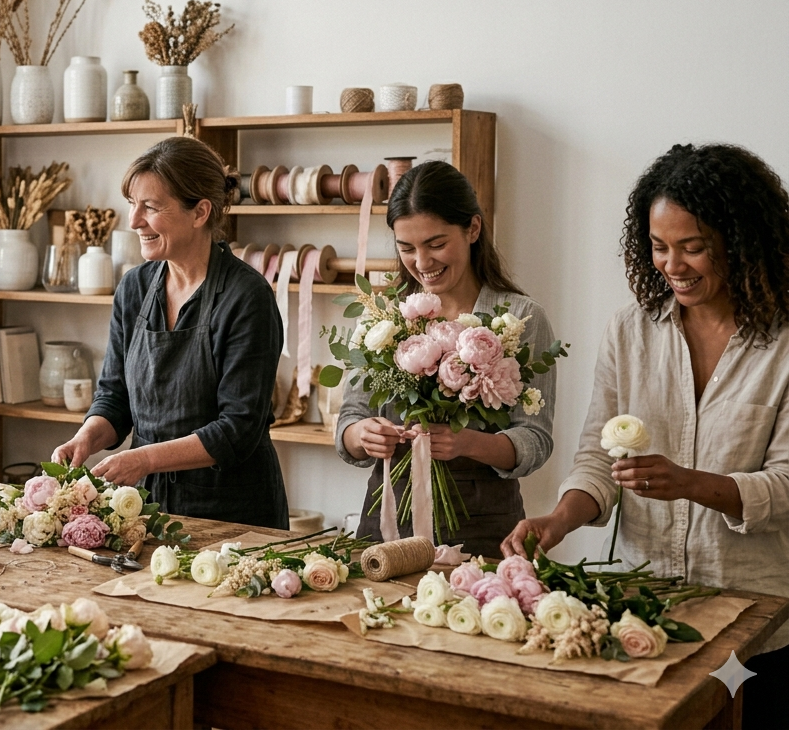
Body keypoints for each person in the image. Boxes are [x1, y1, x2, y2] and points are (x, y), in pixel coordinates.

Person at [501, 144, 789, 726]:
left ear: (743, 241)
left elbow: (786, 488)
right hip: (647, 617)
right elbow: (596, 458)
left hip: (758, 623)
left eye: (693, 247)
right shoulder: (631, 332)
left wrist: (691, 484)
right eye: (659, 247)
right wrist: (558, 521)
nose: (672, 265)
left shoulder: (783, 343)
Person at [52, 137, 289, 529]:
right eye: (132, 203)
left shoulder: (247, 297)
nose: (133, 220)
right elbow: (115, 398)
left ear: (200, 212)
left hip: (232, 515)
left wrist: (143, 459)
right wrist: (86, 438)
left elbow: (238, 429)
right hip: (144, 507)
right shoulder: (134, 288)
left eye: (151, 207)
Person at [336, 160, 557, 557]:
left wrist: (467, 442)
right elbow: (350, 418)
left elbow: (535, 440)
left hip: (484, 527)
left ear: (473, 229)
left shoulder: (521, 318)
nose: (422, 263)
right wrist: (362, 435)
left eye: (436, 244)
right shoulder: (383, 315)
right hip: (387, 522)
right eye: (407, 248)